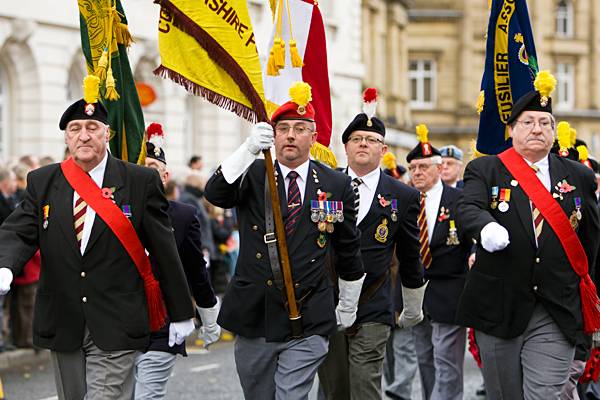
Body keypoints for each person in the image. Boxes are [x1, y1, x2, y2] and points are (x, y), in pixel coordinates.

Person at [0, 77, 196, 400]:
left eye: (92, 127)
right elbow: (18, 230)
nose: (84, 135)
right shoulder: (43, 181)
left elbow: (164, 249)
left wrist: (180, 310)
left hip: (118, 319)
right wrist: (5, 265)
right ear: (66, 136)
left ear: (108, 133)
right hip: (64, 319)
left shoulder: (138, 180)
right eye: (75, 128)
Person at [204, 81, 365, 400]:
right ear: (273, 135)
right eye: (284, 127)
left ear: (314, 136)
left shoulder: (336, 183)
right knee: (259, 394)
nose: (290, 135)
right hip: (256, 312)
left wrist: (348, 302)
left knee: (291, 395)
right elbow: (216, 193)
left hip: (309, 312)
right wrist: (247, 149)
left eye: (300, 128)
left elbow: (347, 247)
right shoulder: (252, 173)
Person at [456, 71, 600, 399]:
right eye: (528, 122)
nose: (537, 128)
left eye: (545, 122)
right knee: (505, 393)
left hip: (556, 307)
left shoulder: (578, 175)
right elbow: (468, 208)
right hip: (499, 304)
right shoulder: (486, 169)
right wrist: (486, 227)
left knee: (546, 392)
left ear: (553, 130)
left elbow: (590, 240)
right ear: (511, 130)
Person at [317, 88, 426, 400]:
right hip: (330, 301)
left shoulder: (402, 195)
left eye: (371, 140)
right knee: (335, 388)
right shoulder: (323, 185)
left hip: (374, 303)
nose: (363, 143)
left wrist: (412, 306)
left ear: (383, 149)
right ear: (346, 147)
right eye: (356, 139)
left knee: (365, 386)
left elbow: (409, 253)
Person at [134, 123, 221, 399]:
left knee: (147, 395)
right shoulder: (116, 214)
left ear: (166, 176)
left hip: (165, 320)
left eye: (153, 168)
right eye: (140, 167)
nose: (146, 174)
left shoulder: (183, 215)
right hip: (121, 323)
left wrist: (208, 318)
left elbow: (195, 268)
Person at [406, 125, 471, 400]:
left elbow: (471, 237)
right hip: (414, 294)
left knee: (447, 361)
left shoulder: (458, 199)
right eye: (413, 168)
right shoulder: (405, 200)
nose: (417, 173)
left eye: (423, 167)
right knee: (424, 359)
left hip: (449, 291)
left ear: (438, 168)